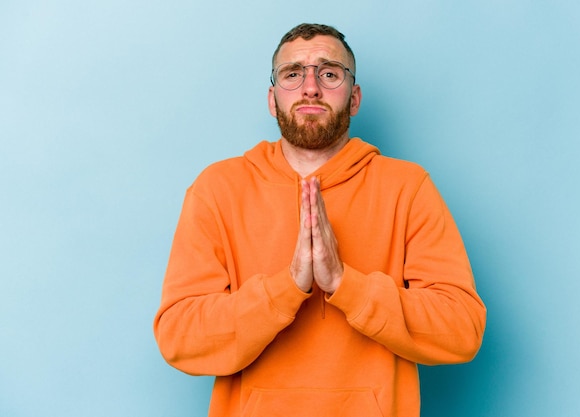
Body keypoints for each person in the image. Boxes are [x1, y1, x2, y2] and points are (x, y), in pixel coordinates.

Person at [154, 23, 486, 417]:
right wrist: (286, 288)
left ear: (355, 97)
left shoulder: (407, 188)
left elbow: (462, 330)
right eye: (293, 74)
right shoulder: (217, 189)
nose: (310, 87)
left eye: (329, 73)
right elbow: (179, 337)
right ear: (272, 99)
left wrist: (346, 284)